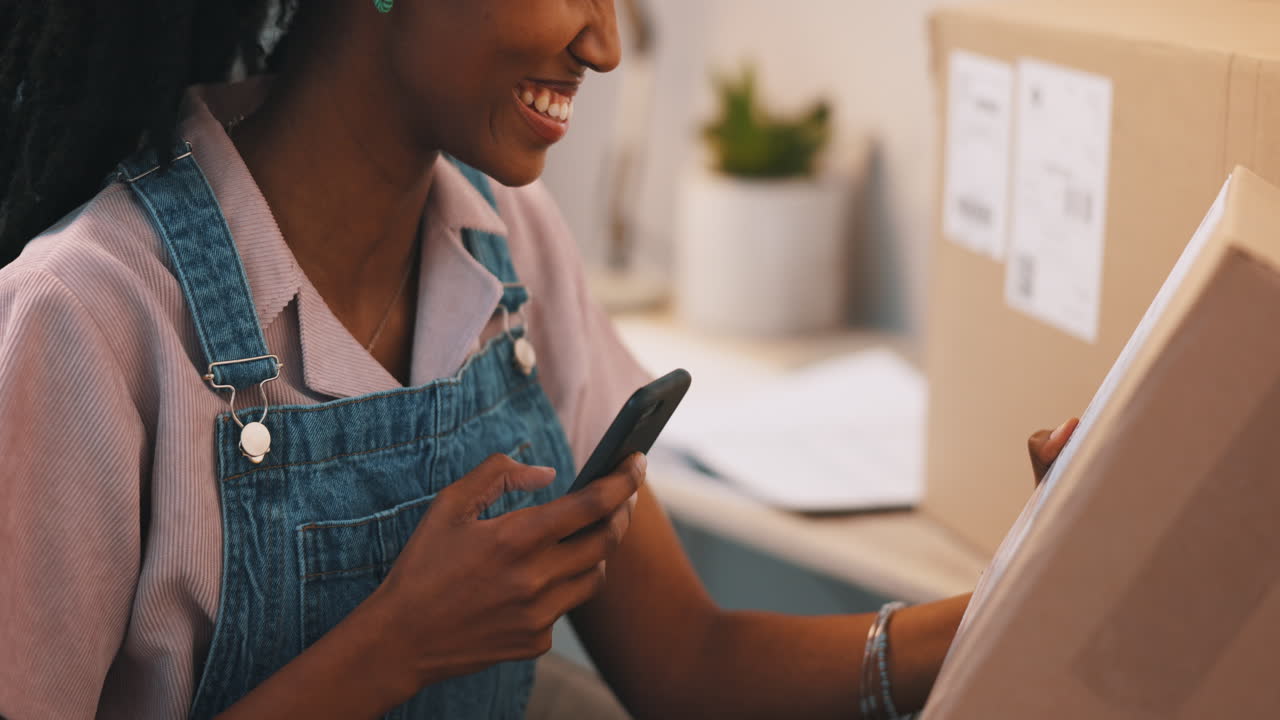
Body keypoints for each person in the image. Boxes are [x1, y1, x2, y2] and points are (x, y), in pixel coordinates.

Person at [0, 2, 1075, 718]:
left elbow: (688, 664)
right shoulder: (86, 317)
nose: (602, 43)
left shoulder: (506, 239)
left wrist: (1035, 591)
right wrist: (396, 644)